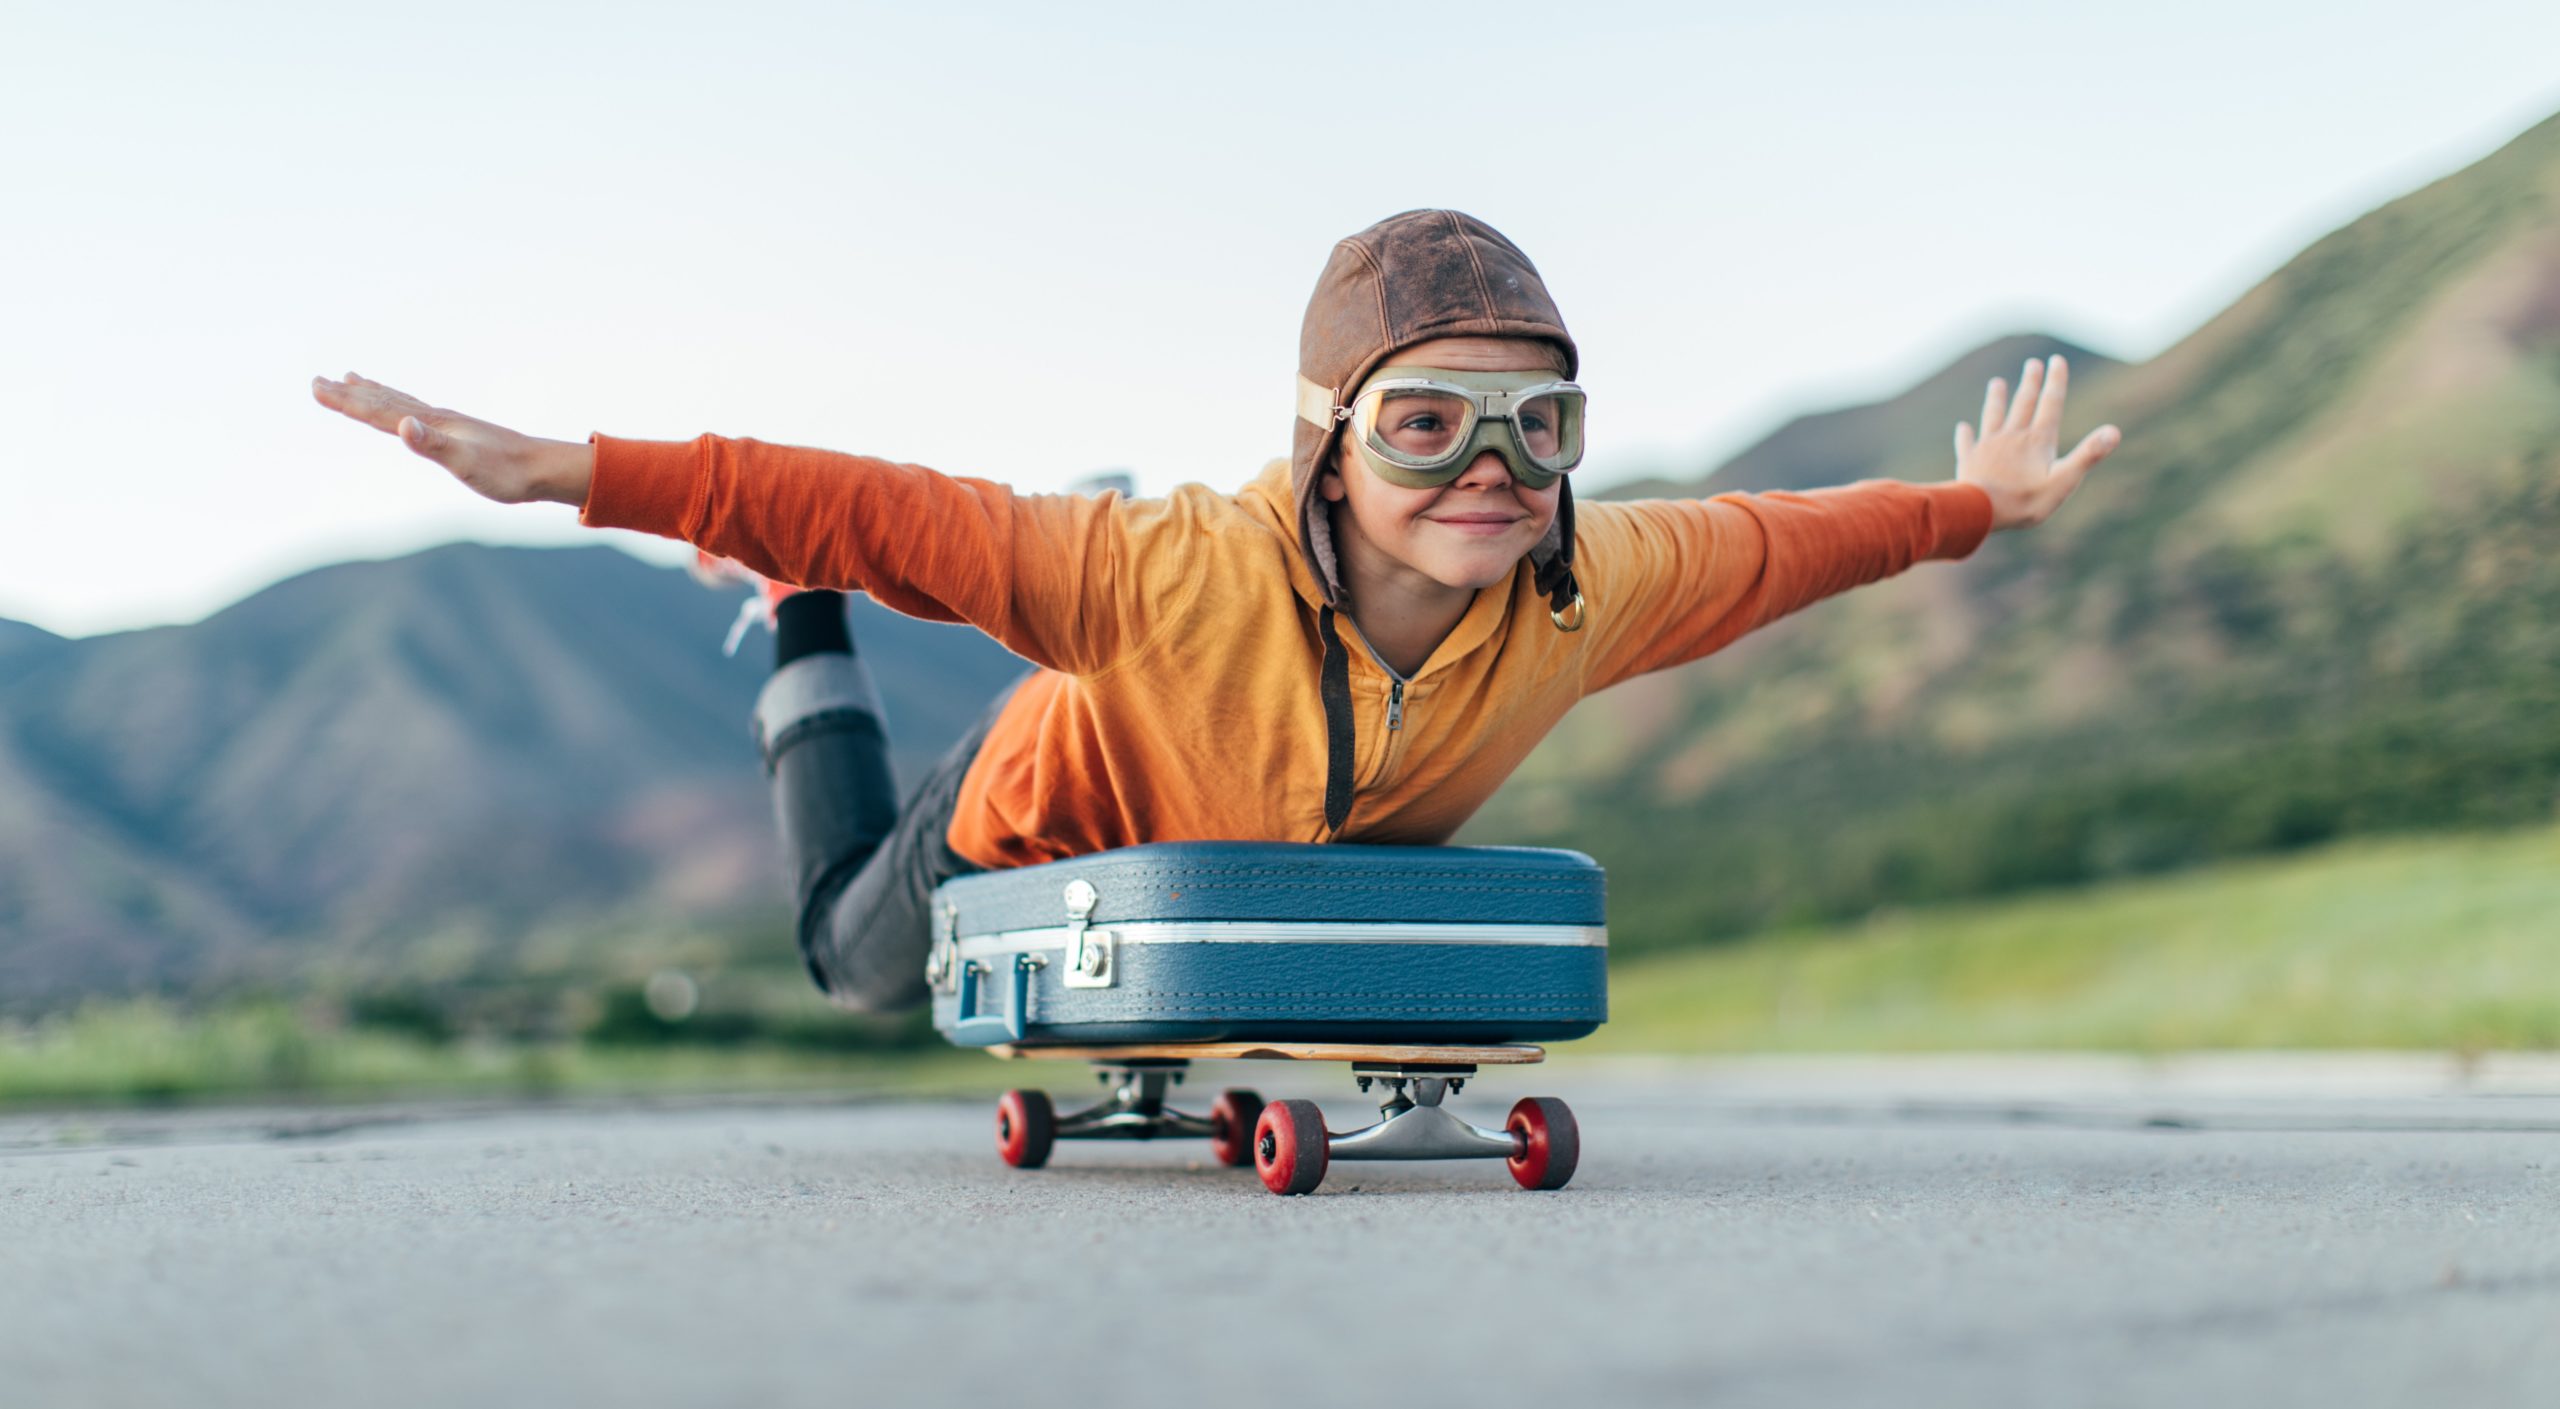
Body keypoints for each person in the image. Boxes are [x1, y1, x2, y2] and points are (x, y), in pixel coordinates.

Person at [312, 209, 2122, 1012]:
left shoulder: (1593, 579)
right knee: (846, 965)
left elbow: (1795, 535)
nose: (1492, 467)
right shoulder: (1170, 569)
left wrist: (1976, 509)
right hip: (1028, 835)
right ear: (1328, 444)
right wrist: (581, 471)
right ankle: (794, 632)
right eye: (1429, 423)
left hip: (1248, 885)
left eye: (1539, 424)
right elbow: (885, 509)